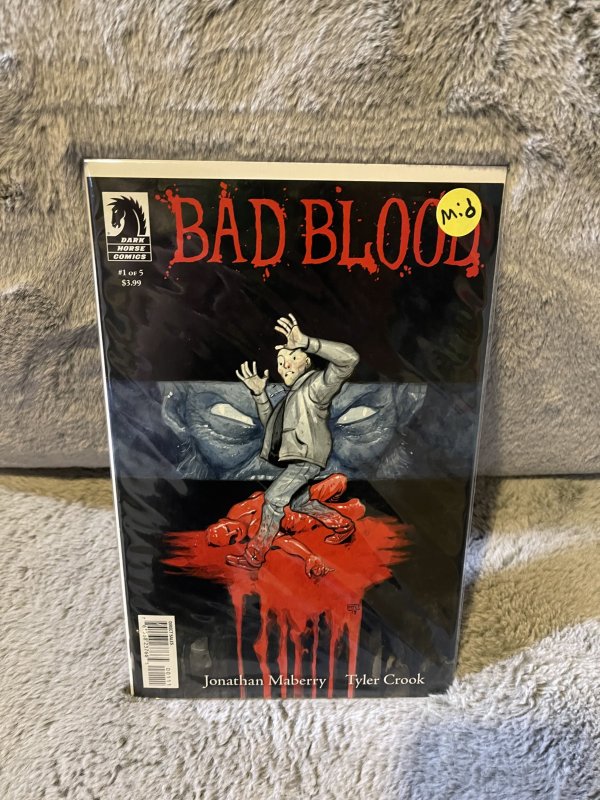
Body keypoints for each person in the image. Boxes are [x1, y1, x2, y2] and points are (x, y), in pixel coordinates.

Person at [233, 313, 359, 569]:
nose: (285, 366)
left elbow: (350, 359)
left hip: (306, 457)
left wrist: (307, 342)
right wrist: (259, 394)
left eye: (291, 357)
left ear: (307, 361)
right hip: (300, 457)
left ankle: (254, 556)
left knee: (273, 499)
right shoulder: (291, 396)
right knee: (300, 501)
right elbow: (272, 427)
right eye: (280, 362)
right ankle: (343, 525)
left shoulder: (315, 387)